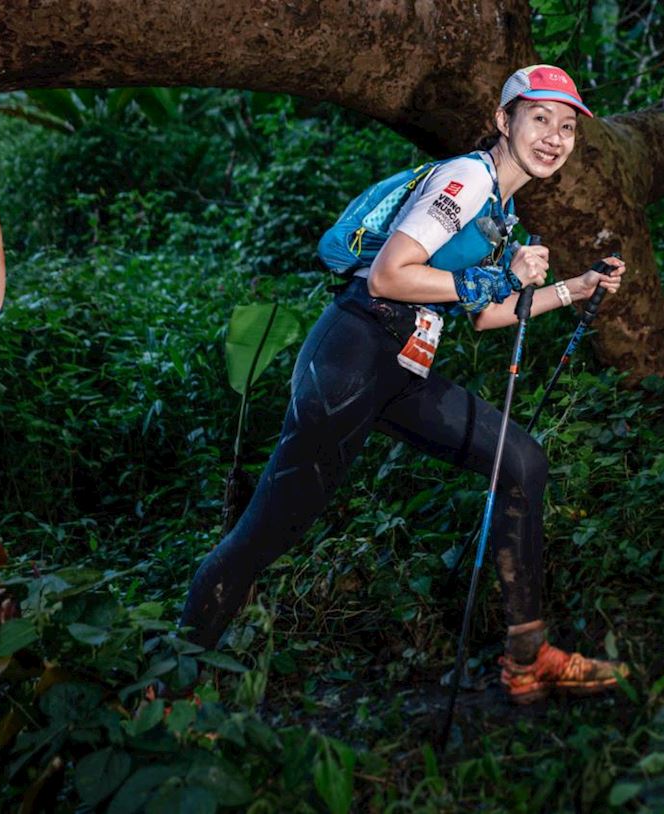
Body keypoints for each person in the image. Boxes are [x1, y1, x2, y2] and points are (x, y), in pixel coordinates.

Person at [181, 64, 629, 704]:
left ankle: (528, 657)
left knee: (522, 461)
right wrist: (498, 279)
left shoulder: (497, 207)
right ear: (504, 121)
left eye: (566, 127)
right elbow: (389, 275)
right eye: (539, 120)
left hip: (400, 367)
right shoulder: (466, 178)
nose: (554, 137)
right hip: (352, 354)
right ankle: (168, 684)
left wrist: (573, 288)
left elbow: (484, 316)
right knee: (266, 532)